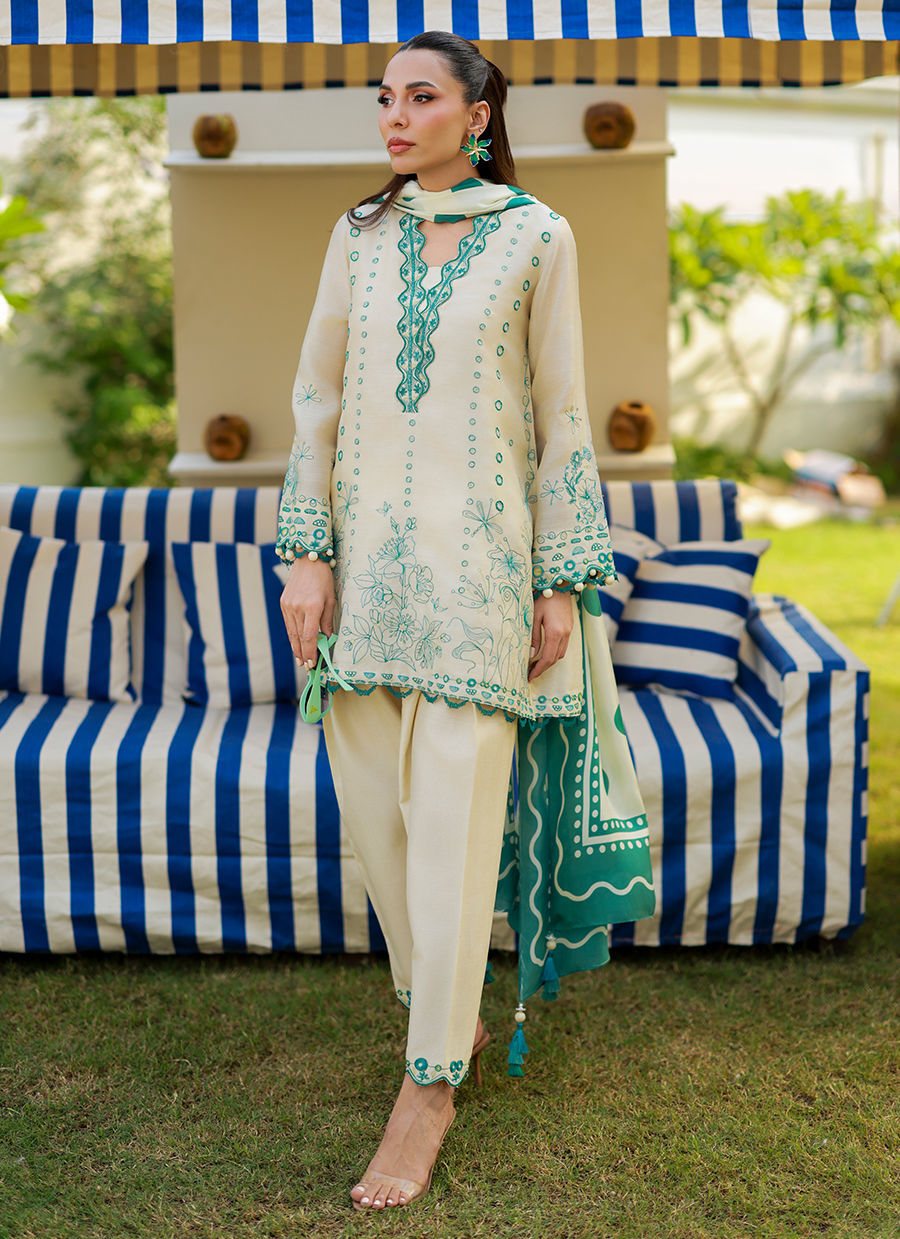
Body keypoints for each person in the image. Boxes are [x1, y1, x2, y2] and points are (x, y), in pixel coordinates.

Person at [277, 30, 654, 1211]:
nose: (395, 116)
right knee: (382, 831)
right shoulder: (358, 235)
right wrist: (305, 556)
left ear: (478, 115)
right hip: (364, 586)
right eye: (385, 98)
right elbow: (317, 400)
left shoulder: (538, 236)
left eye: (421, 97)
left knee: (451, 828)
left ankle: (429, 1084)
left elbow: (561, 412)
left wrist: (559, 581)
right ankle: (441, 1012)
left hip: (481, 577)